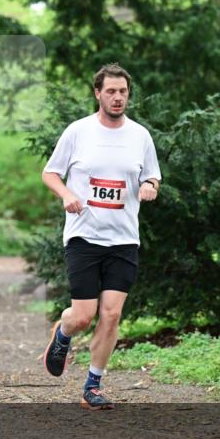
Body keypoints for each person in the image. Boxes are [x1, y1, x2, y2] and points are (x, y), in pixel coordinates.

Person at [41, 64, 161, 410]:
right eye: (111, 91)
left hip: (124, 240)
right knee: (83, 316)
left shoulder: (140, 136)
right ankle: (63, 332)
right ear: (98, 94)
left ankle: (92, 386)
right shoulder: (78, 132)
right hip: (84, 236)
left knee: (111, 315)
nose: (117, 97)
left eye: (123, 91)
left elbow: (153, 176)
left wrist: (149, 186)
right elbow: (50, 173)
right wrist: (66, 194)